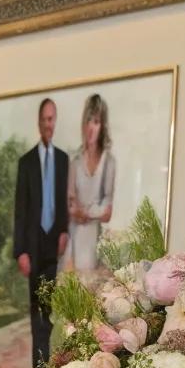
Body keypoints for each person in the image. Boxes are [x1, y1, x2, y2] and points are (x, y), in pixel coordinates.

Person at [13, 98, 69, 364]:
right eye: (45, 119)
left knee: (51, 308)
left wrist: (64, 231)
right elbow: (20, 209)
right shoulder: (26, 163)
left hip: (53, 245)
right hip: (33, 246)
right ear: (39, 122)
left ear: (55, 122)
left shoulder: (62, 159)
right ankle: (38, 365)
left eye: (52, 119)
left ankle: (51, 363)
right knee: (36, 308)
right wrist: (20, 252)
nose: (49, 124)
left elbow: (63, 200)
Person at [66, 93, 116, 274]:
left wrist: (84, 211)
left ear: (102, 125)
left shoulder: (108, 162)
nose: (90, 128)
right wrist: (92, 209)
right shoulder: (75, 160)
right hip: (72, 239)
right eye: (87, 121)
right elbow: (70, 206)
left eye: (95, 122)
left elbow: (107, 213)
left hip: (93, 240)